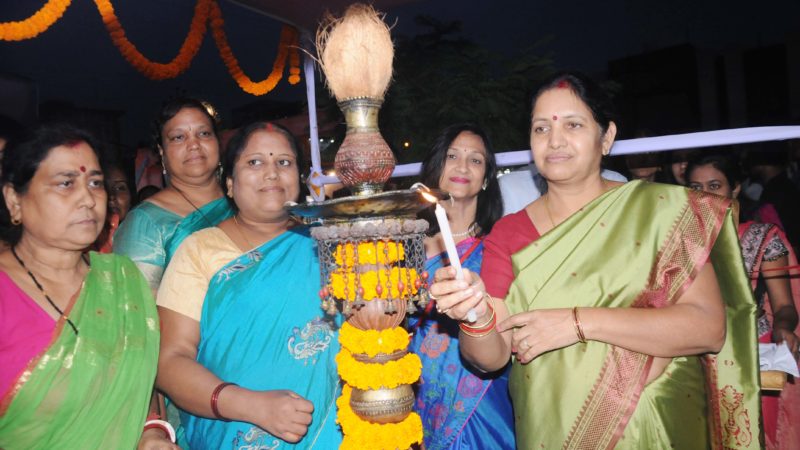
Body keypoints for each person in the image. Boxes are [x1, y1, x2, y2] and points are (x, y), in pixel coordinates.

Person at [430, 71, 761, 449]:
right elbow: (491, 358)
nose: (554, 140)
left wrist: (576, 322)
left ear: (607, 137)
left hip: (654, 424)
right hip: (552, 426)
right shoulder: (509, 233)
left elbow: (707, 328)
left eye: (573, 124)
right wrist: (475, 317)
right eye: (540, 129)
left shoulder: (658, 213)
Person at [156, 122, 341, 449]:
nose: (272, 173)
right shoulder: (199, 250)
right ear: (229, 183)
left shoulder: (327, 245)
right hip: (233, 430)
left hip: (332, 429)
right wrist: (252, 406)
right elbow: (169, 361)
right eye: (255, 162)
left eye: (284, 162)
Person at [0, 123, 174, 449]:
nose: (88, 199)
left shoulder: (122, 278)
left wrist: (151, 431)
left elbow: (140, 383)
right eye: (66, 183)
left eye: (95, 182)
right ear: (14, 199)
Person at [409, 123, 514, 449]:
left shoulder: (499, 248)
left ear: (486, 179)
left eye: (476, 160)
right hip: (414, 391)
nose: (463, 166)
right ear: (436, 167)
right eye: (452, 155)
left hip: (480, 400)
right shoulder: (403, 246)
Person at [687, 153, 800, 449]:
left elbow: (784, 306)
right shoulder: (679, 241)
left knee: (753, 435)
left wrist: (783, 330)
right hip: (696, 352)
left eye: (715, 185)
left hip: (753, 350)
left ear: (735, 188)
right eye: (696, 188)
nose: (705, 196)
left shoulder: (763, 236)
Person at [114, 98, 233, 292]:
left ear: (217, 143)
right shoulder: (145, 223)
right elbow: (138, 312)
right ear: (161, 151)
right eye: (178, 137)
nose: (194, 144)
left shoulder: (244, 201)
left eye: (203, 133)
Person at [95, 160, 135, 253]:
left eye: (120, 188)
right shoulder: (82, 245)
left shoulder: (146, 241)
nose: (111, 196)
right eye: (103, 187)